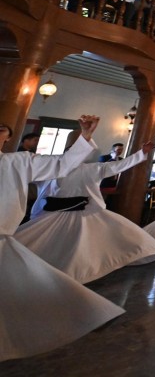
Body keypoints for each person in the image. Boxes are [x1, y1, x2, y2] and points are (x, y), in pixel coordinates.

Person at [0, 115, 124, 361]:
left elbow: (61, 164)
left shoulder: (17, 162)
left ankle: (76, 312)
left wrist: (85, 137)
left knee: (27, 282)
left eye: (1, 128)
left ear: (9, 137)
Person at [15, 142, 155, 283]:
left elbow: (118, 165)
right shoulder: (54, 169)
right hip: (56, 212)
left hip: (83, 211)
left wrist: (141, 153)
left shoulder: (90, 168)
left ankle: (73, 270)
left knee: (82, 243)